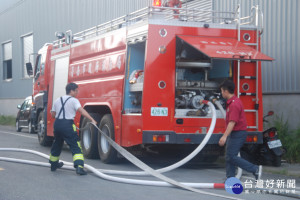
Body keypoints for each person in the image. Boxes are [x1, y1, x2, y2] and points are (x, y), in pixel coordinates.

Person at [49, 82, 97, 175]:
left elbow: (53, 115)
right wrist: (92, 119)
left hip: (58, 124)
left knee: (57, 144)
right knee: (75, 145)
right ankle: (79, 167)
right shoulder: (74, 100)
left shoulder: (57, 100)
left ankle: (53, 164)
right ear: (71, 91)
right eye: (76, 90)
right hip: (68, 124)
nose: (77, 92)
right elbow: (81, 111)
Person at [218, 80, 262, 180]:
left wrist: (224, 136)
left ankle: (255, 169)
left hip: (238, 133)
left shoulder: (234, 104)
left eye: (221, 91)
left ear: (225, 91)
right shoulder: (232, 102)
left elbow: (232, 122)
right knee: (229, 156)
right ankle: (230, 178)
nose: (221, 93)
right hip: (235, 133)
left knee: (232, 156)